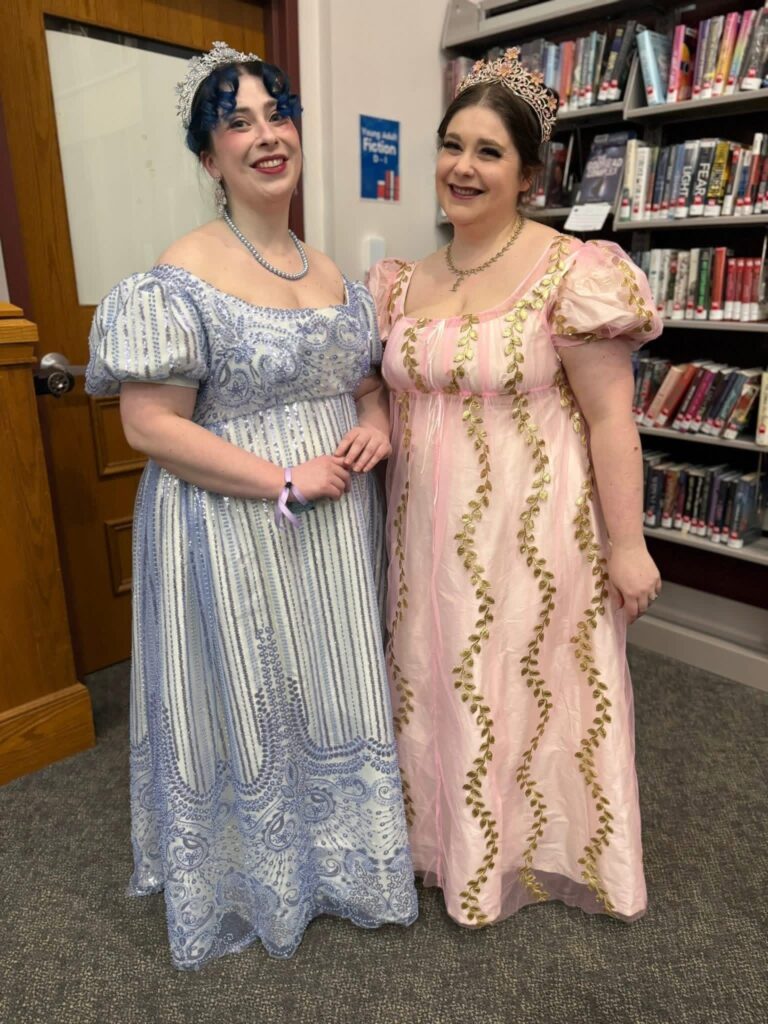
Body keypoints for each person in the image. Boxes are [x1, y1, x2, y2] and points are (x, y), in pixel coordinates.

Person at [86, 42, 417, 969]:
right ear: (207, 157)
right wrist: (280, 479)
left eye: (278, 114)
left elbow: (360, 382)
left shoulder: (333, 271)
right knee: (253, 696)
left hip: (332, 525)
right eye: (238, 122)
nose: (267, 136)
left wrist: (376, 420)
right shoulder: (178, 273)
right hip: (235, 520)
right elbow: (149, 427)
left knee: (327, 686)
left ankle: (344, 867)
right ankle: (258, 876)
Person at [368, 48, 663, 929]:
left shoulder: (573, 273)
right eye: (452, 145)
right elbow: (384, 398)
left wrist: (628, 543)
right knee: (440, 685)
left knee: (528, 693)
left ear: (529, 173)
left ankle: (532, 853)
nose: (462, 167)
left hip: (534, 538)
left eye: (489, 152)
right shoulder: (402, 280)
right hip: (423, 538)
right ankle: (446, 853)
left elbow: (612, 418)